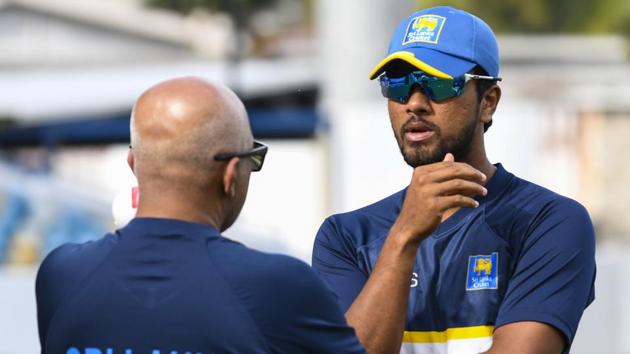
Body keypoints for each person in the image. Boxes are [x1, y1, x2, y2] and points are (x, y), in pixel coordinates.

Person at [312, 6, 596, 354]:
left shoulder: (549, 221)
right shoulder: (344, 238)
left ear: (488, 102)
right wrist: (404, 238)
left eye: (437, 83)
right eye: (397, 85)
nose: (414, 103)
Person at [36, 77, 366, 354]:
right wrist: (403, 238)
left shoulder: (61, 275)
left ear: (133, 164)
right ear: (230, 174)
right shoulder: (280, 286)